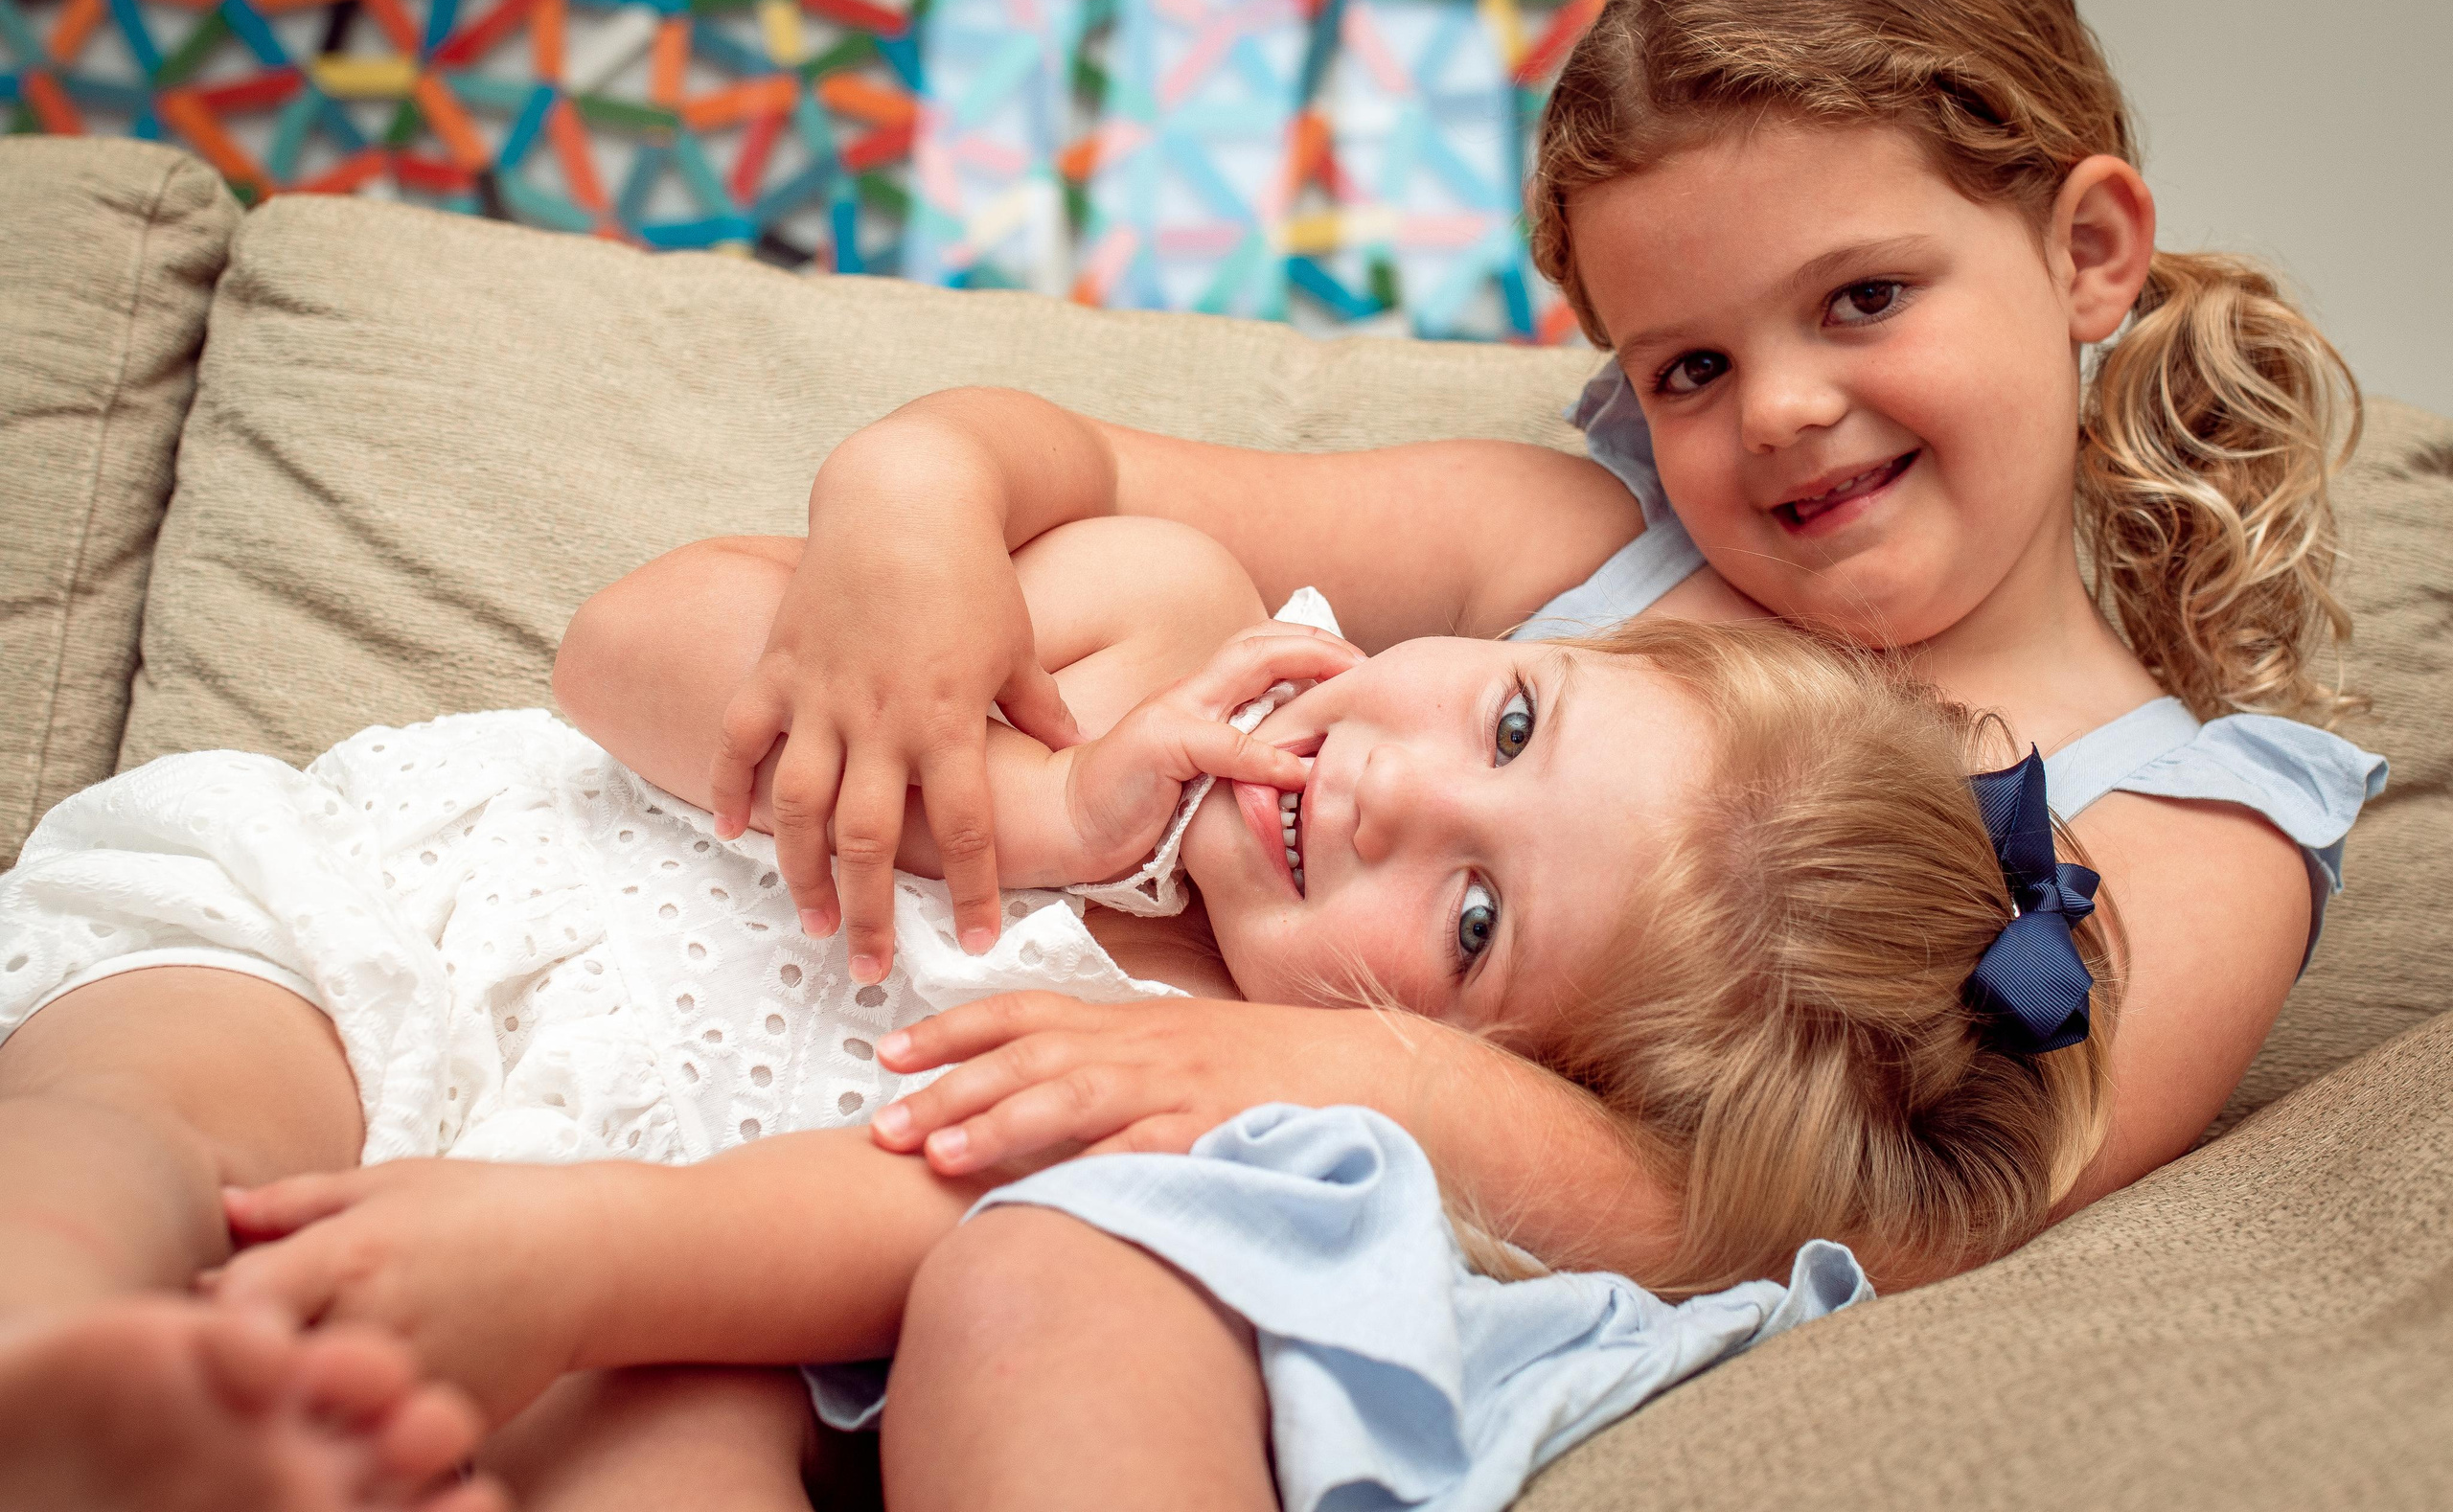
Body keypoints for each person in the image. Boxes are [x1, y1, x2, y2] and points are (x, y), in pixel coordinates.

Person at [708, 0, 2385, 1508]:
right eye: (1692, 370)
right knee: (714, 1344)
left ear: (2089, 253)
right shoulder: (1578, 546)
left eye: (1863, 297)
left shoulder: (2195, 830)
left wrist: (1370, 1084)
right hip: (1116, 1106)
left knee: (1053, 1297)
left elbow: (1942, 1218)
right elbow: (1079, 475)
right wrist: (910, 487)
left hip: (1486, 1271)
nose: (1784, 411)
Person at [6, 510, 2100, 1509]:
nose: (1381, 784)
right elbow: (627, 639)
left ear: (1478, 1062)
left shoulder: (1225, 1095)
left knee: (692, 1441)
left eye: (1469, 911)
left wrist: (567, 1269)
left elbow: (889, 1202)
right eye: (1510, 714)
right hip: (398, 926)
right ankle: (57, 1347)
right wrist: (1029, 795)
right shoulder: (1157, 616)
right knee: (145, 1101)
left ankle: (293, 1462)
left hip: (654, 1239)